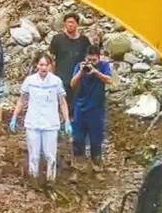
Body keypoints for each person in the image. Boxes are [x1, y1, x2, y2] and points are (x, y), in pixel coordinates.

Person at [11, 53, 71, 188]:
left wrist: (67, 120)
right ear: (37, 65)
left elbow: (62, 102)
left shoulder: (56, 81)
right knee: (34, 155)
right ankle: (34, 180)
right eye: (41, 64)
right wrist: (14, 116)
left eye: (46, 65)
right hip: (33, 122)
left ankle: (51, 181)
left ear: (50, 66)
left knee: (50, 155)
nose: (43, 67)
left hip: (51, 123)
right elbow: (22, 100)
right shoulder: (30, 81)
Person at [70, 45, 112, 172]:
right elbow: (72, 84)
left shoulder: (104, 66)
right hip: (80, 107)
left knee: (96, 138)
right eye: (89, 60)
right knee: (78, 138)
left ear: (99, 58)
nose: (91, 63)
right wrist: (81, 72)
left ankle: (97, 167)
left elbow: (110, 80)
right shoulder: (80, 66)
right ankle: (78, 166)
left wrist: (96, 72)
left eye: (94, 60)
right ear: (85, 58)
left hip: (97, 108)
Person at [49, 13, 91, 115]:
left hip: (78, 79)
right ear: (64, 24)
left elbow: (88, 60)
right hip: (61, 79)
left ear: (77, 24)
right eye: (68, 22)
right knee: (60, 107)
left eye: (72, 22)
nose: (70, 25)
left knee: (77, 108)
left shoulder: (84, 41)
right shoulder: (57, 39)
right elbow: (51, 59)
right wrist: (51, 77)